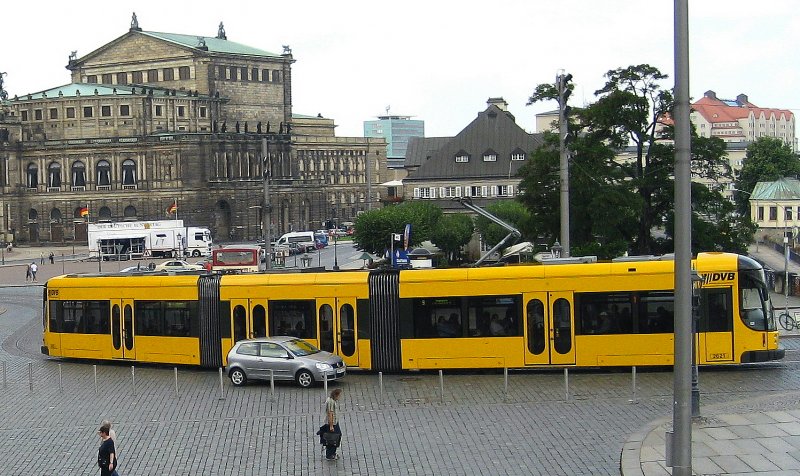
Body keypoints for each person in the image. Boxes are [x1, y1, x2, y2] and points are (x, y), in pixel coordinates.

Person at [324, 388, 342, 460]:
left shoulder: (331, 400)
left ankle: (332, 452)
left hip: (334, 422)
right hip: (332, 423)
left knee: (334, 437)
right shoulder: (331, 402)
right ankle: (330, 454)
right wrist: (331, 425)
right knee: (333, 438)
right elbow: (330, 413)